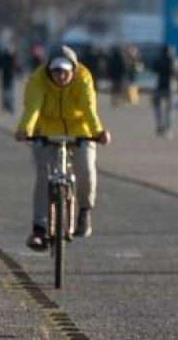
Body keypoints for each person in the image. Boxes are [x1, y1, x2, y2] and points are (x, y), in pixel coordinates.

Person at [14, 52, 110, 250]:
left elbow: (89, 107)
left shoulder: (83, 78)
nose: (60, 76)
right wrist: (25, 129)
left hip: (80, 130)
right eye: (56, 71)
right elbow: (33, 107)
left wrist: (98, 132)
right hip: (47, 131)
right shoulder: (38, 79)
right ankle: (39, 229)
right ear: (49, 70)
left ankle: (84, 210)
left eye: (65, 71)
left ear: (73, 69)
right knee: (43, 176)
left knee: (86, 168)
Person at [150, 44, 178, 138]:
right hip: (170, 88)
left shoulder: (159, 60)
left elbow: (154, 69)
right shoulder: (174, 60)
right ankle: (168, 128)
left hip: (159, 86)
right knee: (170, 109)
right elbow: (175, 72)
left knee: (157, 107)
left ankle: (160, 124)